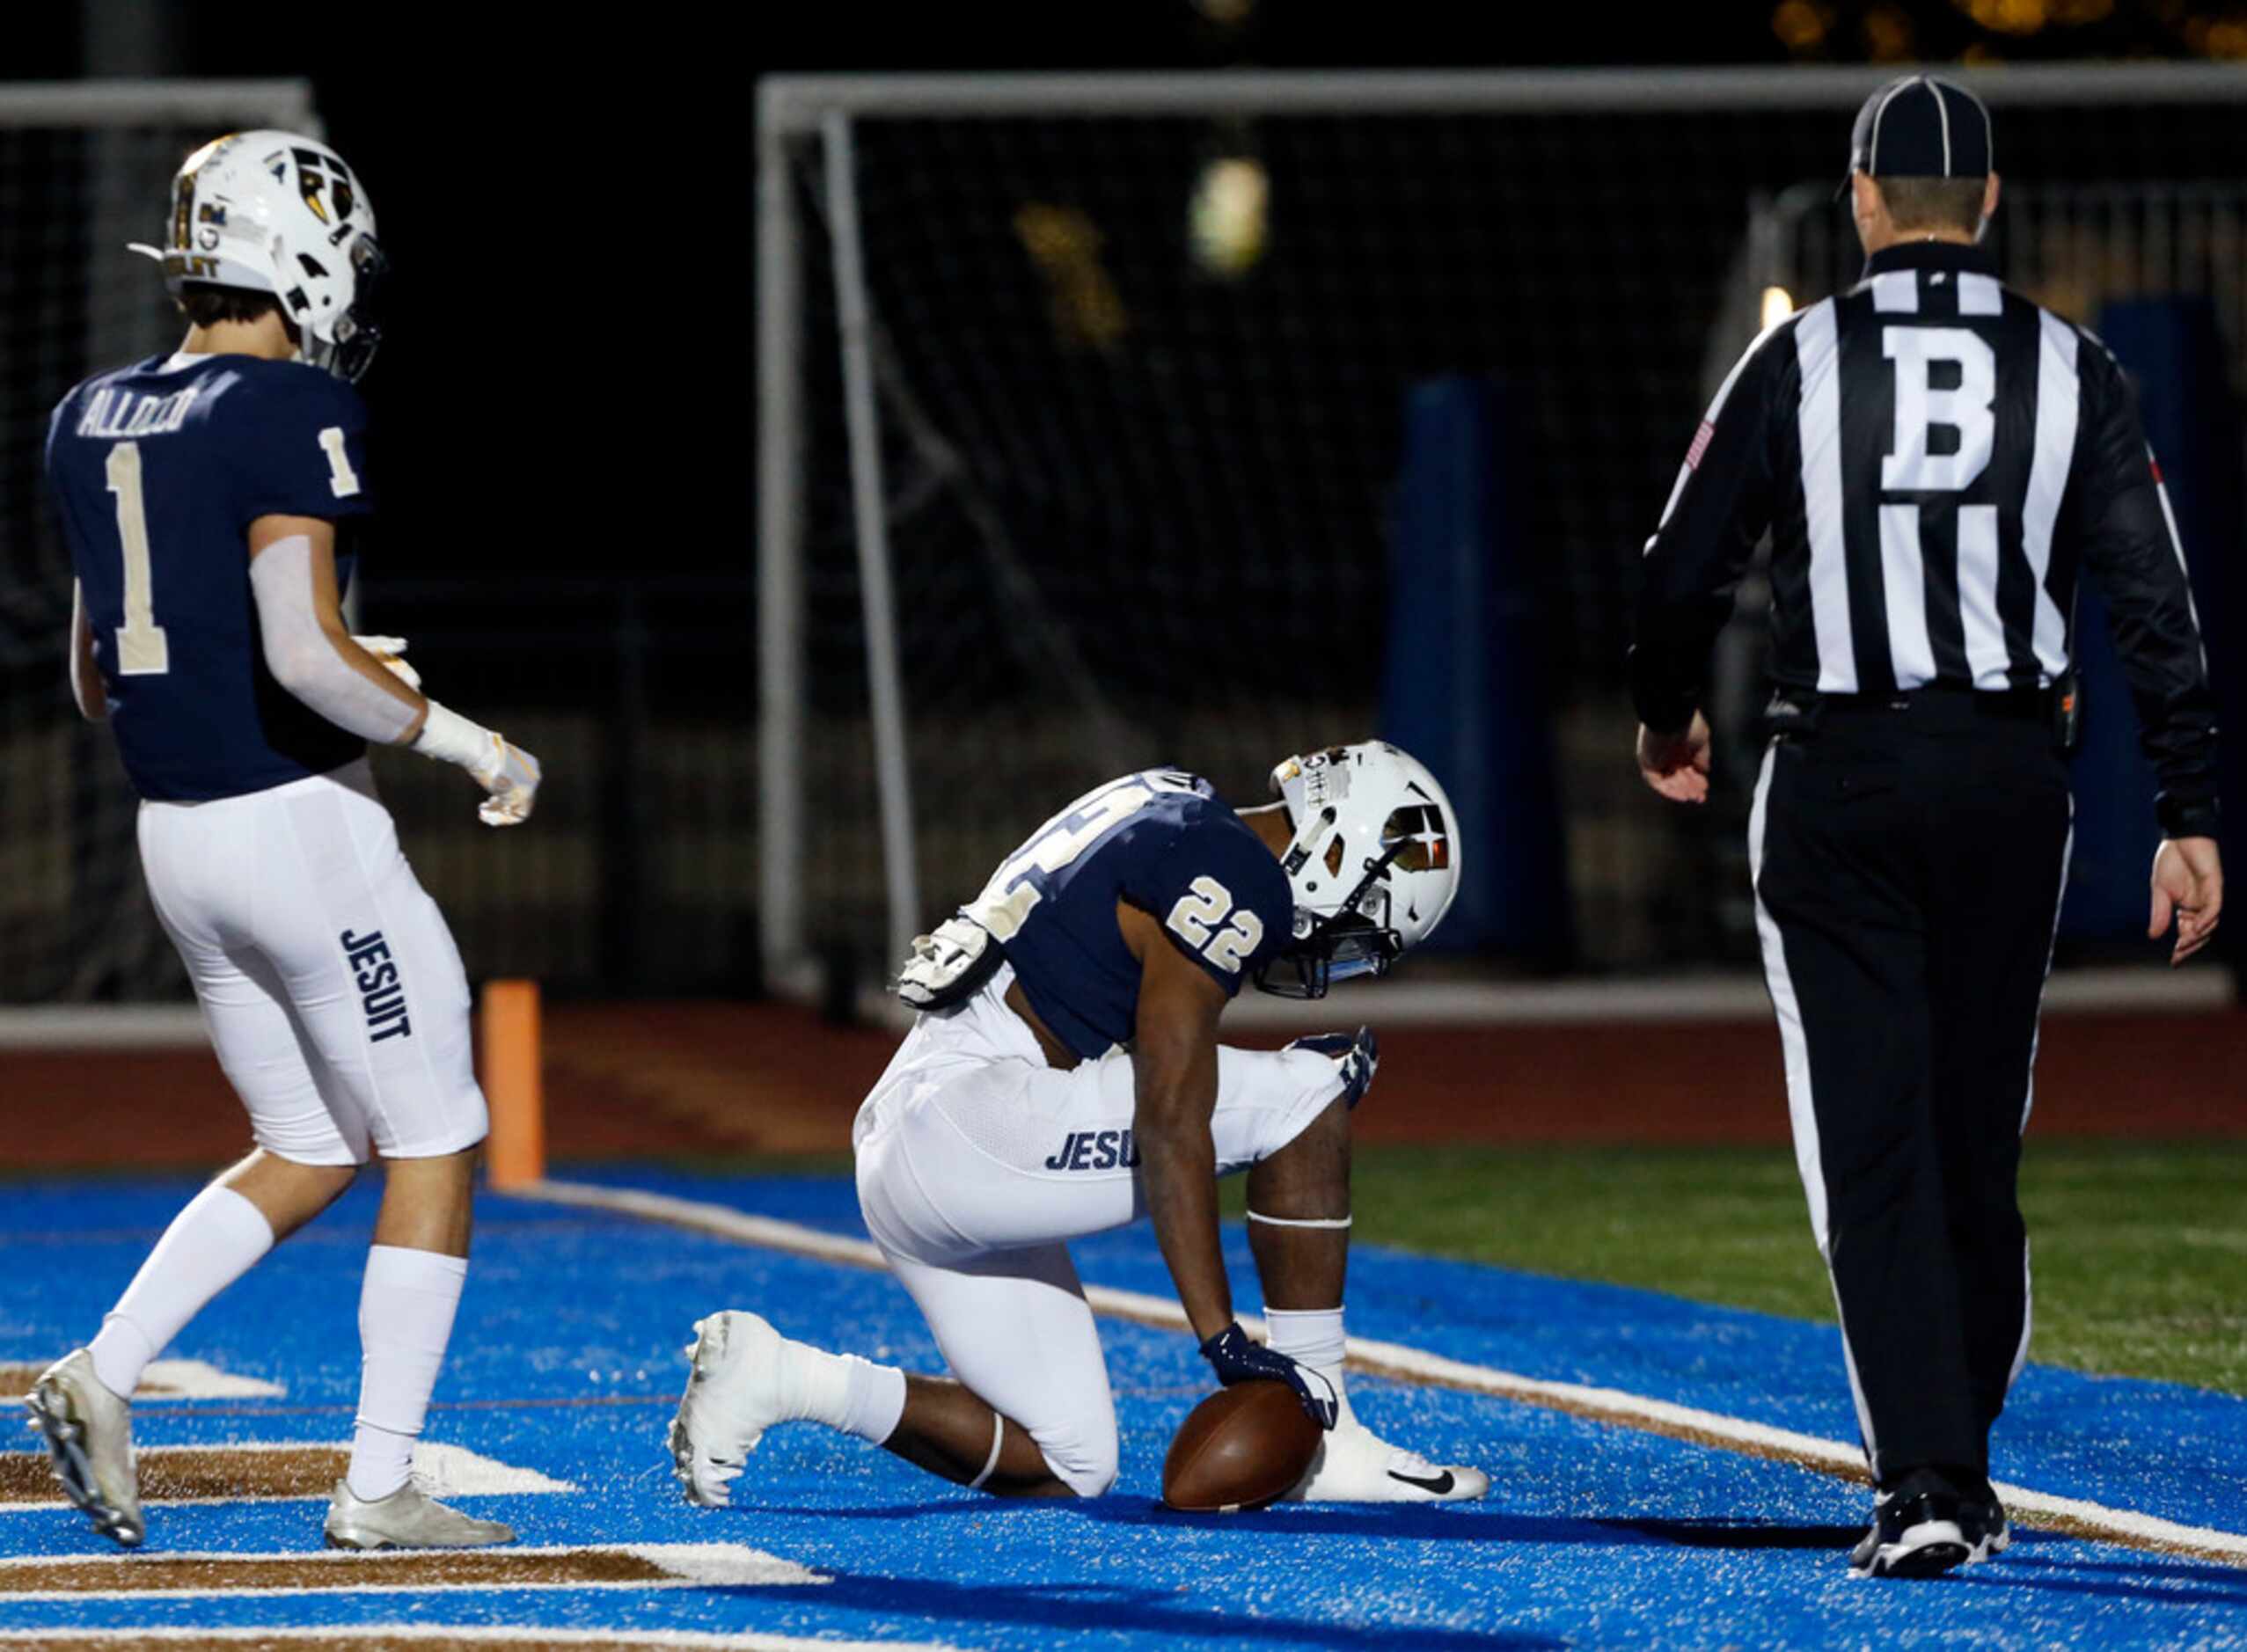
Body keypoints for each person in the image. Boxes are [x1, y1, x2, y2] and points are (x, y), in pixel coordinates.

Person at [1630, 76, 2221, 1579]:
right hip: (2011, 776)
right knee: (1968, 1130)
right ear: (1991, 202)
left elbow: (1673, 567)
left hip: (1837, 772)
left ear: (1859, 200)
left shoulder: (1797, 356)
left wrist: (1660, 715)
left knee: (1872, 1137)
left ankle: (1928, 1476)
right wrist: (2186, 807)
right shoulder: (2069, 362)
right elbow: (2154, 606)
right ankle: (1954, 1445)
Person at [28, 131, 543, 1552]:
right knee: (437, 1133)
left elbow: (94, 678)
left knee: (308, 1142)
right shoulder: (282, 408)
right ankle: (379, 1487)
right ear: (294, 254)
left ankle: (102, 1371)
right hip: (298, 830)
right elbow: (310, 661)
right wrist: (469, 740)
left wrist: (284, 655)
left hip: (175, 842)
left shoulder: (88, 411)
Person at [669, 743, 1486, 1504]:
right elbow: (1171, 1116)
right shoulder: (1236, 872)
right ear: (1339, 845)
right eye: (1353, 925)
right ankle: (1327, 1430)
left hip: (921, 1136)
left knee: (1072, 1461)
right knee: (1309, 1091)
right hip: (971, 1125)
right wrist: (1220, 1337)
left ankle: (783, 1377)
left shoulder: (1169, 798)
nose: (1325, 952)